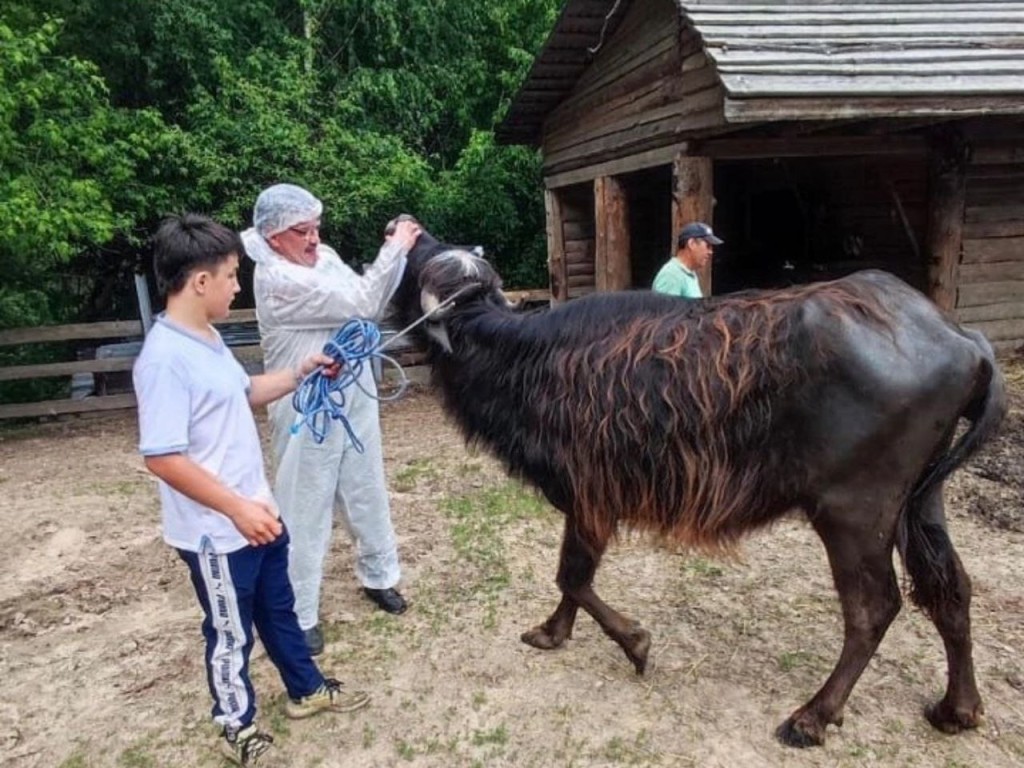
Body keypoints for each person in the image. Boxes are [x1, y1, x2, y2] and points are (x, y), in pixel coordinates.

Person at [133, 213, 370, 767]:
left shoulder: (206, 339)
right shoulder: (163, 359)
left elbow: (243, 391)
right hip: (217, 531)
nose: (238, 286)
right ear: (200, 282)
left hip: (256, 513)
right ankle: (236, 723)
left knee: (279, 609)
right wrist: (236, 510)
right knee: (229, 631)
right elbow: (163, 457)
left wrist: (302, 372)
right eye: (232, 276)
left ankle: (305, 689)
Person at [241, 184, 421, 657]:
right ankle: (299, 613)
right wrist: (396, 246)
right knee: (304, 507)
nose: (313, 238)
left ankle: (379, 575)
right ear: (274, 236)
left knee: (366, 486)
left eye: (316, 227)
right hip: (306, 403)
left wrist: (390, 261)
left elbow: (355, 297)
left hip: (353, 390)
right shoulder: (277, 279)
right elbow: (362, 302)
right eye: (301, 231)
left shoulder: (324, 256)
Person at [652, 221, 723, 298]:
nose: (710, 252)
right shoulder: (671, 275)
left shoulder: (689, 273)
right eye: (708, 246)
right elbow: (665, 309)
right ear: (691, 244)